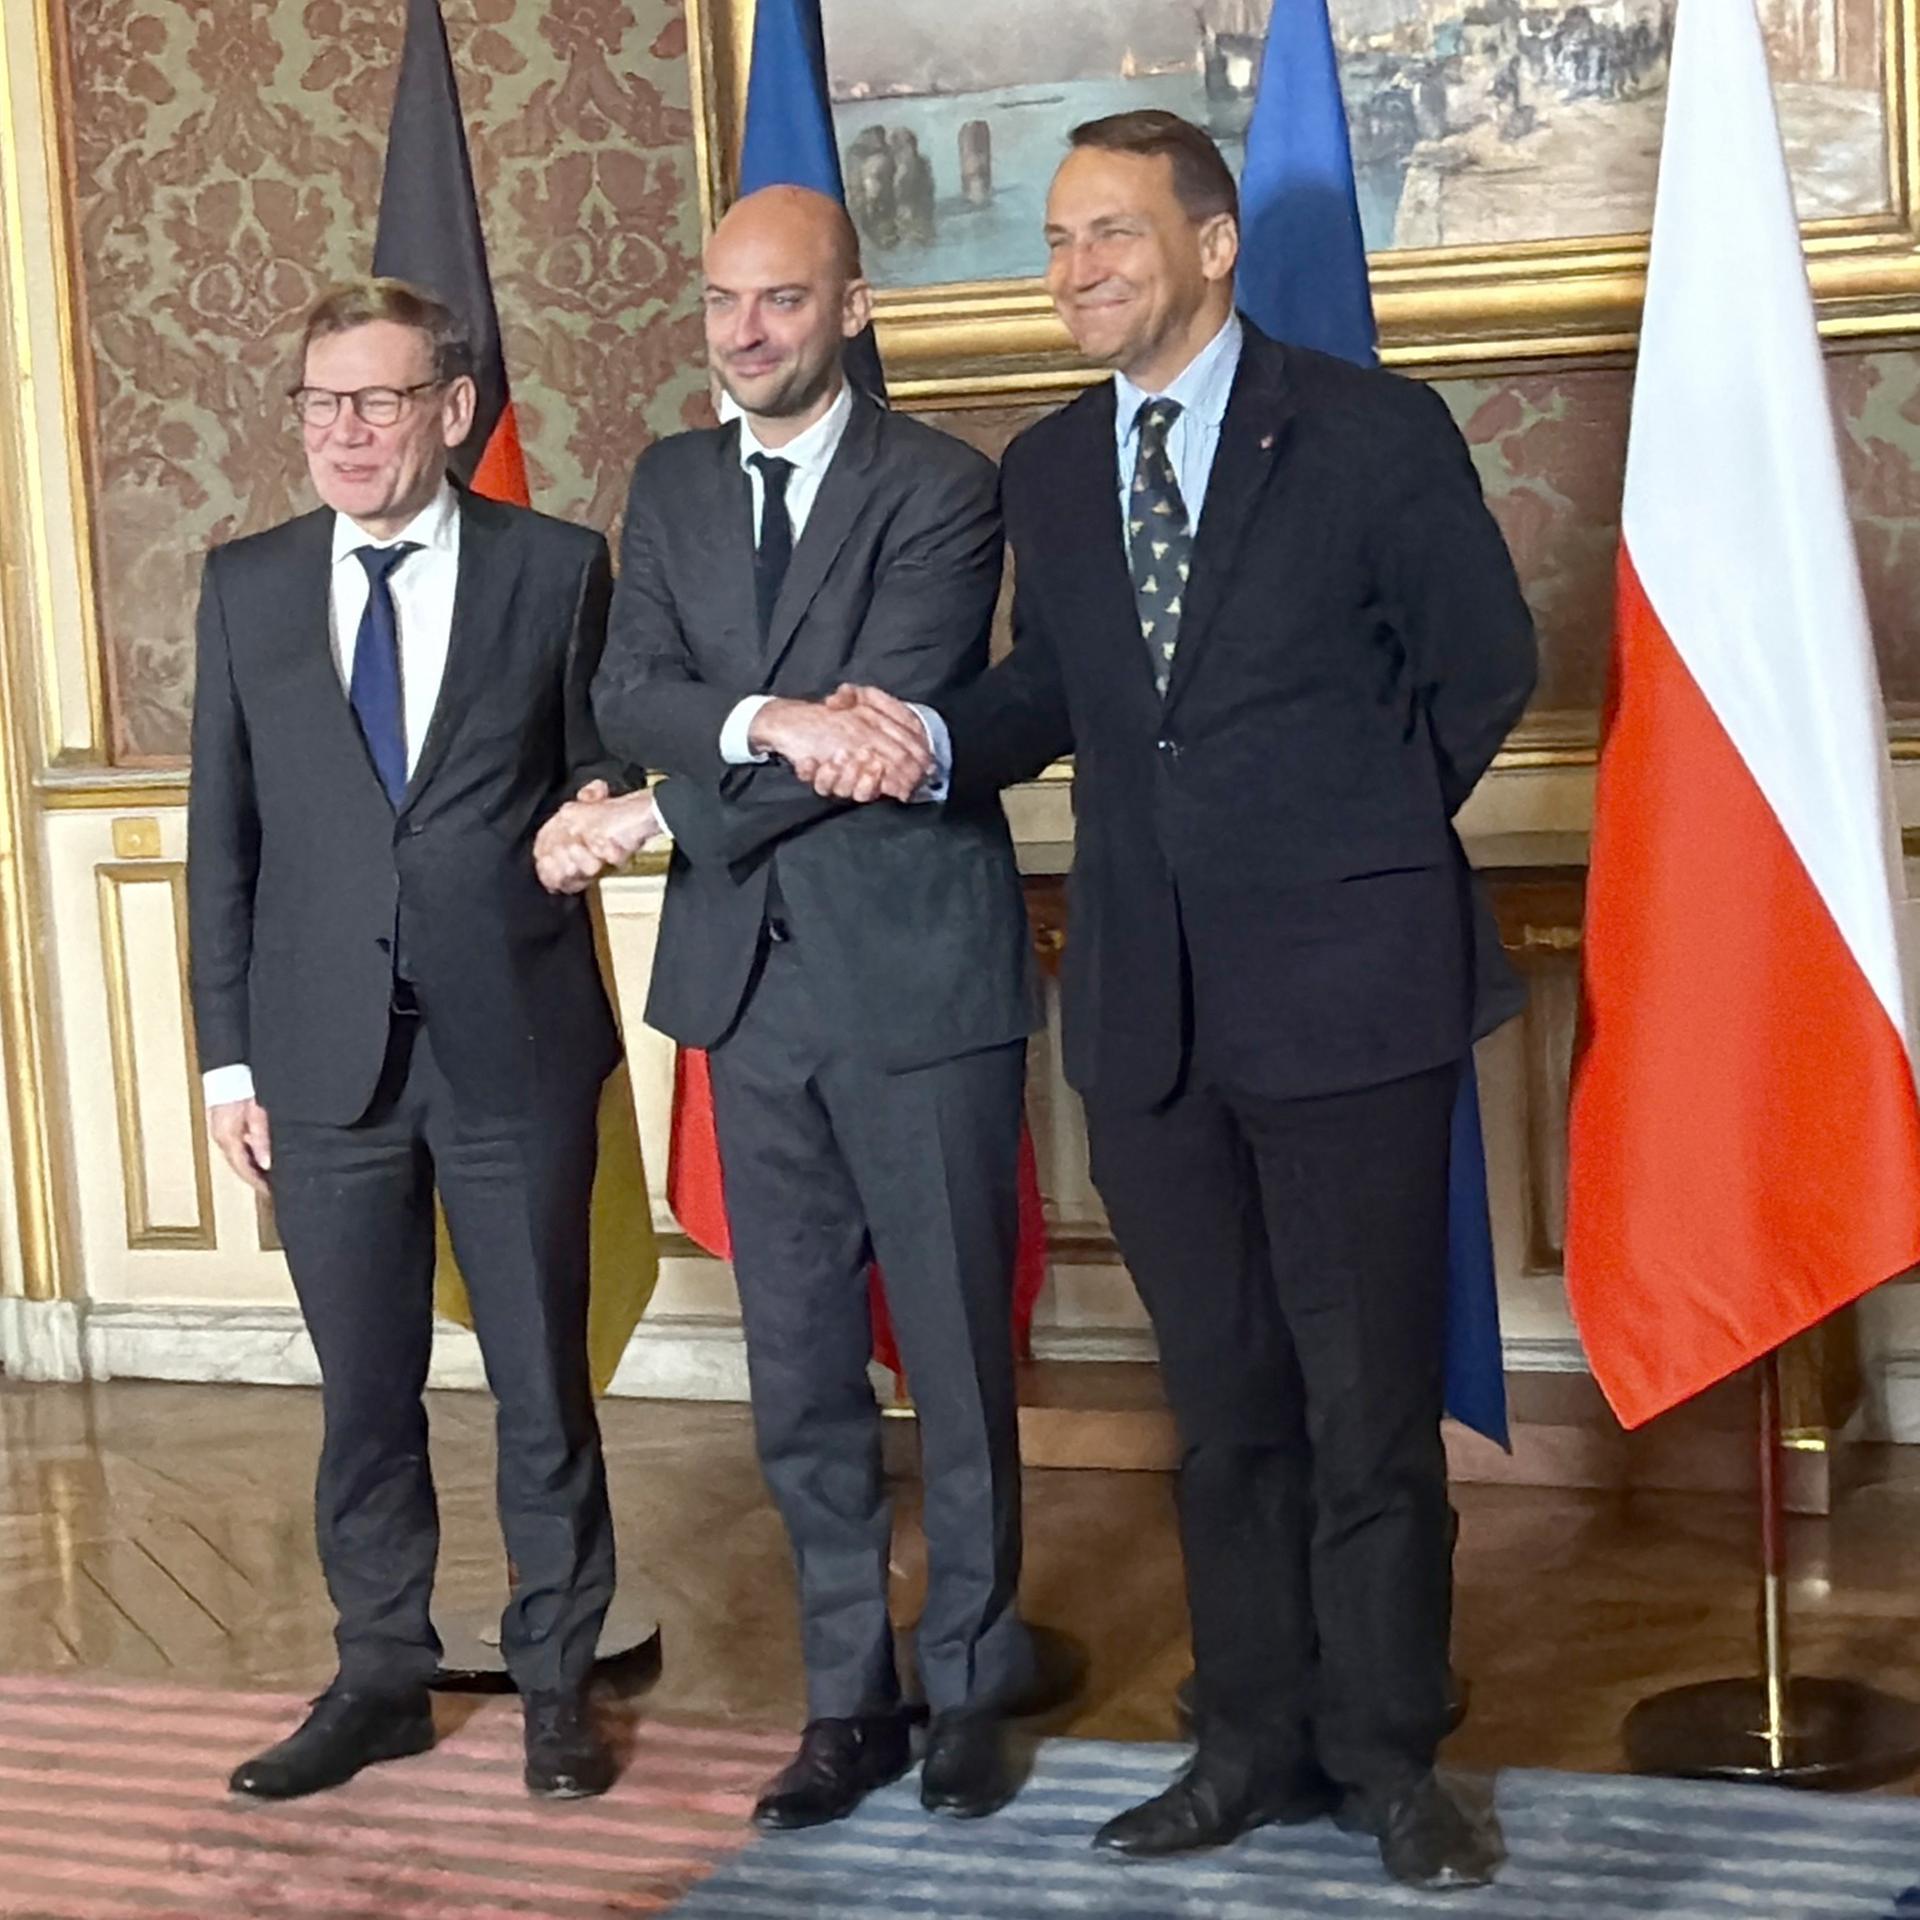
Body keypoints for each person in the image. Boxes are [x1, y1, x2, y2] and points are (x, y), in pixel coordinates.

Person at [814, 112, 1537, 1891]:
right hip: (1149, 1010)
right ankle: (1252, 1741)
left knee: (1369, 1406)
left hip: (1352, 993)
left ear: (1213, 248)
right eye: (1057, 241)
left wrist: (1338, 850)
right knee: (1222, 1406)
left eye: (1111, 237)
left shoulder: (1371, 432)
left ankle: (1386, 1758)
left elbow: (1482, 666)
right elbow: (1050, 692)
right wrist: (912, 741)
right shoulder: (1054, 470)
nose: (1073, 271)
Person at [542, 184, 1039, 1828]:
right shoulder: (674, 481)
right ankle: (853, 1705)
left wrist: (663, 807)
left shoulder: (943, 486)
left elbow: (888, 728)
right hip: (747, 992)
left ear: (854, 305)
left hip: (918, 979)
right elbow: (636, 691)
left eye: (779, 302)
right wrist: (762, 720)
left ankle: (969, 1683)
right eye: (719, 303)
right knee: (801, 1371)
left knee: (957, 1358)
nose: (743, 334)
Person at [187, 278, 625, 1803]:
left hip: (512, 1040)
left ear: (452, 409)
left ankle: (560, 1680)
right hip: (318, 1063)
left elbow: (596, 774)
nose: (346, 433)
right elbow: (220, 841)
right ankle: (380, 1671)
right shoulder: (244, 584)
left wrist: (599, 812)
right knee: (362, 1391)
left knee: (538, 1385)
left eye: (378, 401)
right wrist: (226, 1061)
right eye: (322, 403)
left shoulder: (558, 569)